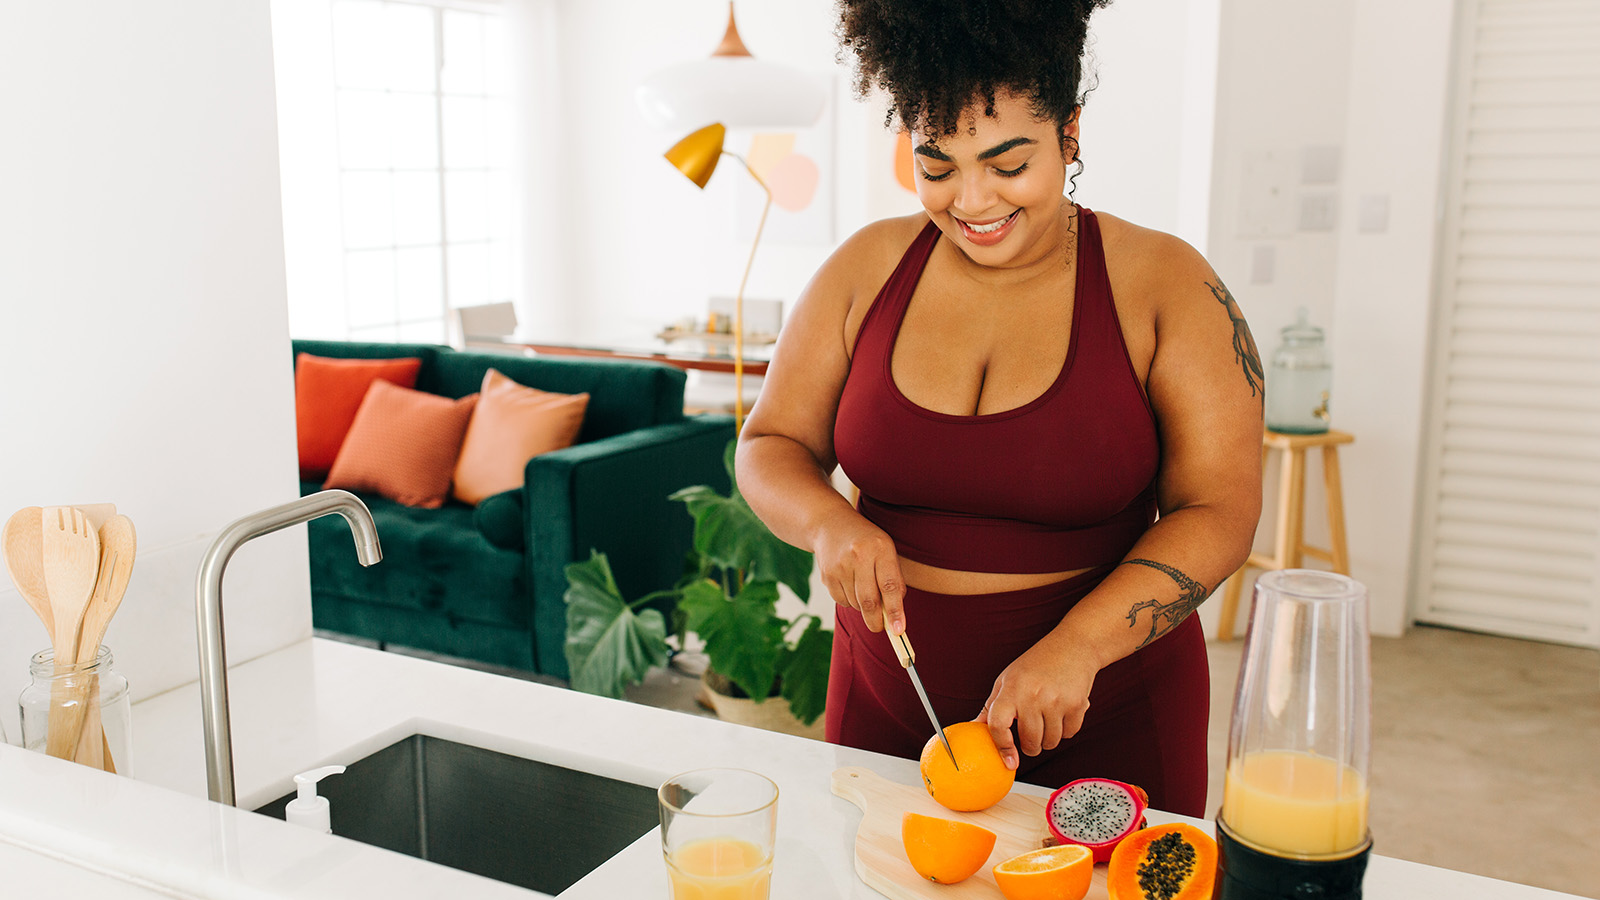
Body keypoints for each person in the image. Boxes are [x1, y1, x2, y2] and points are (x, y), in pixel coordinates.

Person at [734, 0, 1263, 818]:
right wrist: (827, 524)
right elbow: (769, 443)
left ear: (1071, 133)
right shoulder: (864, 269)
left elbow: (1221, 510)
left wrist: (1079, 649)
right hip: (884, 702)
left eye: (1008, 163)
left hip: (1103, 710)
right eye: (936, 166)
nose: (971, 201)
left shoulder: (1168, 285)